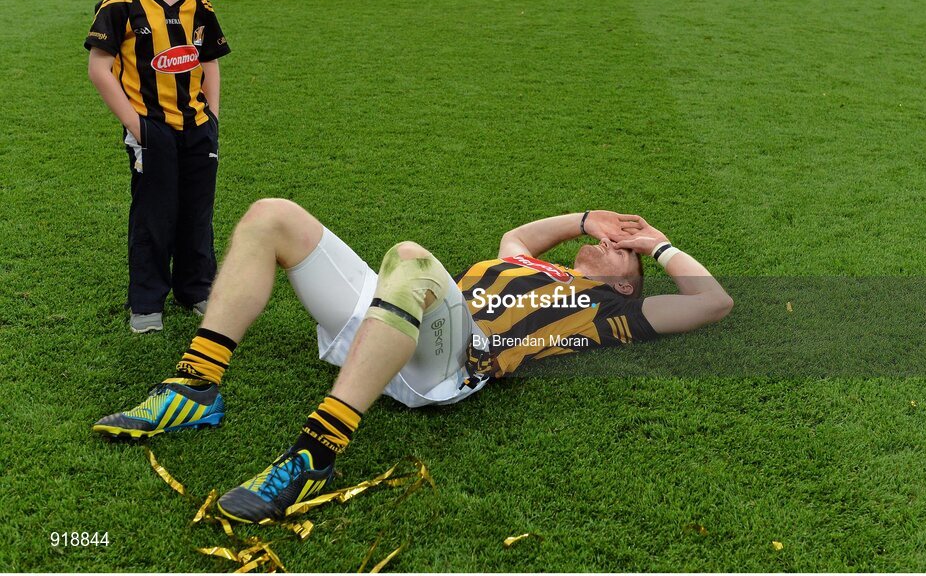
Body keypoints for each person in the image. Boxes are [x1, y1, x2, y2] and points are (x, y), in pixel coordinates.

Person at [93, 199, 732, 523]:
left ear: (630, 284)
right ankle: (195, 386)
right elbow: (523, 237)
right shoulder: (524, 262)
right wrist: (591, 217)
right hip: (391, 321)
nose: (608, 244)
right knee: (272, 216)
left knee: (411, 257)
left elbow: (711, 302)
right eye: (606, 239)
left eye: (622, 253)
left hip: (447, 363)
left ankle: (314, 454)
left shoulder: (606, 310)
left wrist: (655, 242)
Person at [85, 0, 231, 334]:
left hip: (197, 128)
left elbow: (209, 62)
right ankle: (147, 303)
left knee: (197, 212)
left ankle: (197, 289)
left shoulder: (197, 3)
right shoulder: (119, 4)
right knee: (154, 215)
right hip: (152, 130)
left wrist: (213, 118)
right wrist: (137, 126)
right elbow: (99, 69)